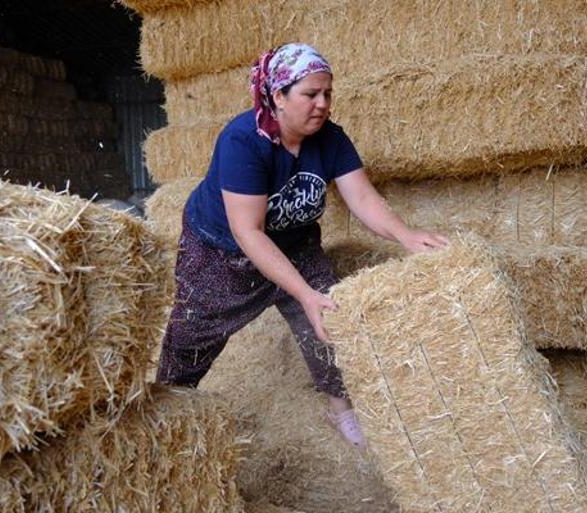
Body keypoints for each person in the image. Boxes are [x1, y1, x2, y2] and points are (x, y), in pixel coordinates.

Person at [156, 43, 448, 447]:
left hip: (295, 243)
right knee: (193, 336)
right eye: (311, 94)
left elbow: (361, 198)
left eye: (327, 93)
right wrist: (301, 293)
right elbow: (249, 232)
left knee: (329, 319)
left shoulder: (331, 139)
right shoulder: (243, 141)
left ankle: (340, 408)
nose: (323, 104)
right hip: (223, 252)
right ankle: (166, 409)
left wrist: (405, 234)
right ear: (278, 96)